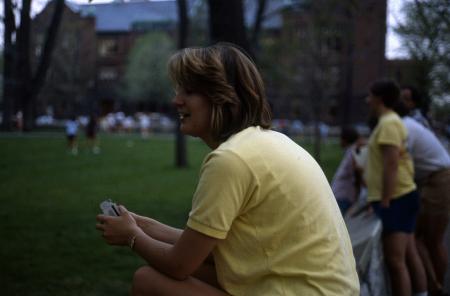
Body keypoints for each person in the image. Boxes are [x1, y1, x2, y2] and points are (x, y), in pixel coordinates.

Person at [96, 43, 359, 296]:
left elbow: (179, 265)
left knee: (148, 281)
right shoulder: (271, 141)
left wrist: (132, 237)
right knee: (206, 267)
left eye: (189, 91)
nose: (176, 101)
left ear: (222, 98)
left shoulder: (230, 160)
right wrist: (142, 225)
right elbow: (205, 248)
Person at [365, 79, 427, 296]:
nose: (367, 100)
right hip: (400, 197)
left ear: (380, 99)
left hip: (397, 198)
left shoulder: (389, 123)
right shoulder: (389, 121)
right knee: (408, 255)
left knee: (395, 262)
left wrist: (384, 201)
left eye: (370, 95)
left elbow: (391, 165)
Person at [394, 101, 450, 296]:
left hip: (439, 181)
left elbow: (396, 160)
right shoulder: (406, 124)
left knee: (429, 239)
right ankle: (434, 284)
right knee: (422, 238)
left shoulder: (403, 127)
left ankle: (437, 286)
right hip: (433, 180)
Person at [331, 126, 364, 215]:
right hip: (341, 196)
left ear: (345, 139)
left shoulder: (353, 153)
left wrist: (356, 195)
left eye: (341, 138)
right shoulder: (351, 151)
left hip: (344, 197)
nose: (339, 141)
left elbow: (357, 174)